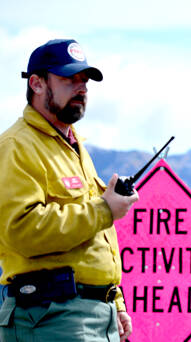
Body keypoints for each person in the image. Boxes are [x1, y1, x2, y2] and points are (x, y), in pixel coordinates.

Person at [0, 39, 139, 341]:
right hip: (49, 317)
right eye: (68, 79)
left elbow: (92, 244)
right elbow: (21, 230)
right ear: (36, 83)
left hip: (93, 317)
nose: (82, 88)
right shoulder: (16, 146)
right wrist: (104, 210)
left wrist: (115, 303)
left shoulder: (73, 145)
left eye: (85, 81)